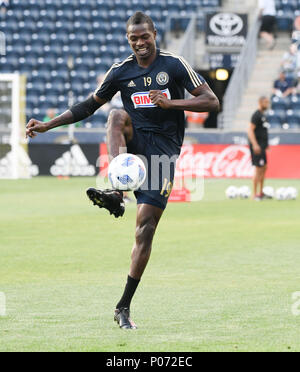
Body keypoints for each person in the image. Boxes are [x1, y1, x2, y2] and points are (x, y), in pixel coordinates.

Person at [26, 12, 219, 329]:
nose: (140, 43)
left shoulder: (174, 65)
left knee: (145, 229)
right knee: (115, 116)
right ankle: (117, 190)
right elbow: (89, 105)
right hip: (135, 143)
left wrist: (171, 104)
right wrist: (48, 125)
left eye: (145, 36)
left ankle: (123, 306)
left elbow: (211, 102)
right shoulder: (121, 71)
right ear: (128, 39)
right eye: (134, 38)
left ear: (154, 34)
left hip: (164, 153)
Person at [247, 96, 270, 201]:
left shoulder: (263, 115)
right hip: (257, 147)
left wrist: (266, 144)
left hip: (262, 147)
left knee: (264, 168)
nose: (267, 104)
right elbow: (250, 130)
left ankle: (261, 192)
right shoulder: (256, 115)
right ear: (260, 102)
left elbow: (262, 131)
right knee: (258, 169)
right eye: (266, 102)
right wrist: (255, 144)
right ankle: (254, 194)